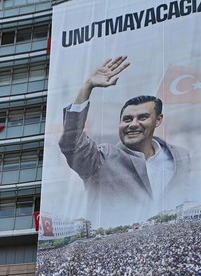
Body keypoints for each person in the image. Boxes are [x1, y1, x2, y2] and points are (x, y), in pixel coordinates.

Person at [59, 56, 191, 220]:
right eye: (127, 119)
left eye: (142, 117)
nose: (133, 124)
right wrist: (87, 87)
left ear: (158, 120)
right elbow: (72, 144)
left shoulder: (180, 156)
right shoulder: (102, 159)